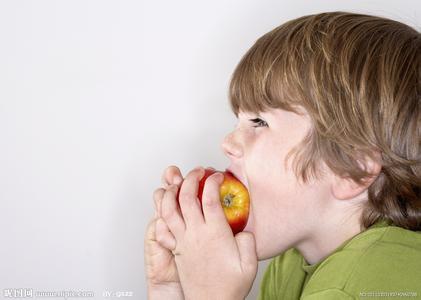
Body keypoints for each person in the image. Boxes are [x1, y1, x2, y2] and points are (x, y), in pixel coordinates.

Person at [144, 11, 421, 299]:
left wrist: (211, 294)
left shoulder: (374, 281)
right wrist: (170, 288)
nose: (228, 142)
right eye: (237, 121)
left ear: (352, 167)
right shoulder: (290, 264)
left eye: (259, 122)